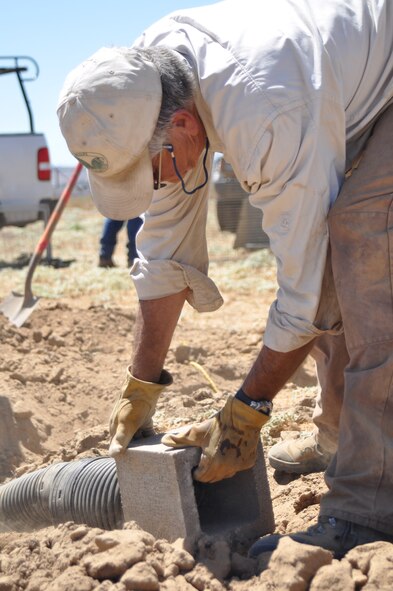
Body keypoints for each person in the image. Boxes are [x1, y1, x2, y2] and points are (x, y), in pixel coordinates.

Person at [57, 0, 393, 559]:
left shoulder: (265, 108)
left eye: (153, 172)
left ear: (184, 126)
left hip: (374, 81)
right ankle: (343, 439)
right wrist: (142, 385)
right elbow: (163, 250)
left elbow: (307, 294)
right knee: (329, 257)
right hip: (335, 89)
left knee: (361, 240)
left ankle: (369, 506)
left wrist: (247, 410)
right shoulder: (145, 85)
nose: (156, 185)